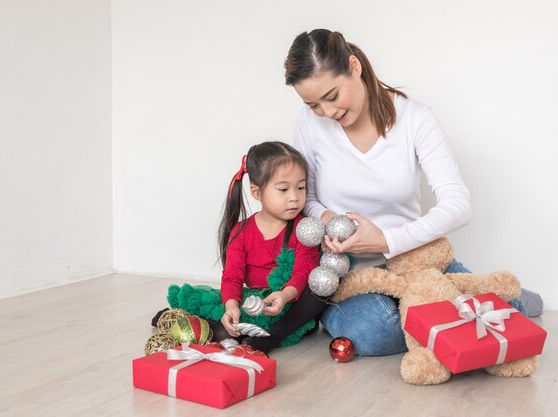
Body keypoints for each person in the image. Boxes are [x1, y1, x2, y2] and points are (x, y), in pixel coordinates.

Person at [283, 29, 543, 356]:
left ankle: (498, 299)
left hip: (412, 258)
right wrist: (327, 217)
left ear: (354, 67)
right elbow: (302, 196)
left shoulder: (415, 118)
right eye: (313, 105)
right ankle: (459, 301)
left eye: (332, 96)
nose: (327, 112)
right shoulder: (310, 123)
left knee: (450, 311)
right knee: (375, 333)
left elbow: (458, 204)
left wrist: (386, 241)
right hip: (346, 271)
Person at [155, 141, 326, 354]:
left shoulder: (303, 228)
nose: (295, 197)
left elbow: (303, 270)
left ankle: (273, 336)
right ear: (256, 192)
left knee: (321, 286)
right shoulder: (242, 231)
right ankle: (179, 319)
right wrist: (232, 306)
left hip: (290, 300)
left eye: (301, 188)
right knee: (224, 323)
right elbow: (232, 276)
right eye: (283, 189)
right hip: (254, 301)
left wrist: (285, 295)